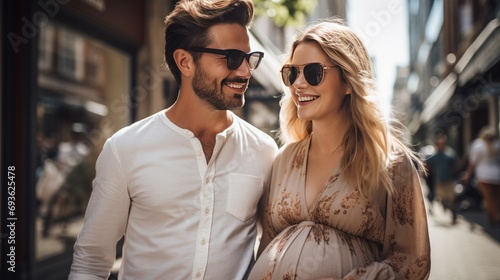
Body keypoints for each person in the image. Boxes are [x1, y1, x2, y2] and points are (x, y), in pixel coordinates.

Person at [69, 0, 278, 279]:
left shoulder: (263, 151)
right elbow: (91, 262)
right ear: (185, 62)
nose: (245, 71)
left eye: (248, 58)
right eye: (231, 57)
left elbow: (271, 249)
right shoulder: (125, 148)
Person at [249, 19, 431, 280]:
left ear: (348, 81)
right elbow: (267, 243)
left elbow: (413, 261)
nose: (298, 84)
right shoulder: (284, 159)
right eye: (291, 73)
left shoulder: (389, 161)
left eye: (313, 72)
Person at [463, 126, 500, 227]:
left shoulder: (478, 144)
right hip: (497, 174)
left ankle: (493, 217)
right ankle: (496, 216)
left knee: (488, 198)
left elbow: (472, 163)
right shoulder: (497, 144)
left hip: (483, 175)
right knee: (496, 198)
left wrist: (468, 175)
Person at [425, 134, 460, 223]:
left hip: (449, 180)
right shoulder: (435, 155)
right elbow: (427, 163)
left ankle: (453, 213)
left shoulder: (450, 154)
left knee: (451, 199)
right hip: (439, 180)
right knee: (442, 198)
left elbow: (456, 165)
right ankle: (449, 208)